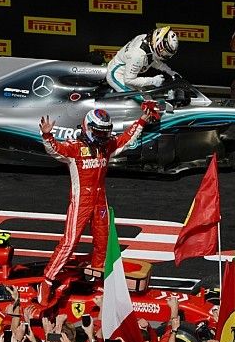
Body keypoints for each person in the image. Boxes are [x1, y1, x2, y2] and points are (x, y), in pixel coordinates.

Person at [35, 102, 160, 304]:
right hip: (81, 201)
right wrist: (47, 136)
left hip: (100, 200)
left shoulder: (107, 146)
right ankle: (47, 281)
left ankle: (96, 279)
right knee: (70, 242)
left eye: (105, 132)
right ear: (88, 128)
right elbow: (55, 150)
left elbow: (125, 140)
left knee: (103, 241)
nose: (103, 137)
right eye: (99, 132)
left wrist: (142, 121)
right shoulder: (74, 148)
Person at [106, 26, 179, 93]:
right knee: (141, 102)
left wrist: (171, 72)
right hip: (117, 75)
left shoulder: (147, 41)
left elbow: (154, 61)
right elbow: (128, 80)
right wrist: (153, 81)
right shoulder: (139, 55)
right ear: (159, 44)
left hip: (127, 73)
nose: (166, 56)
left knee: (148, 96)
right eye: (165, 52)